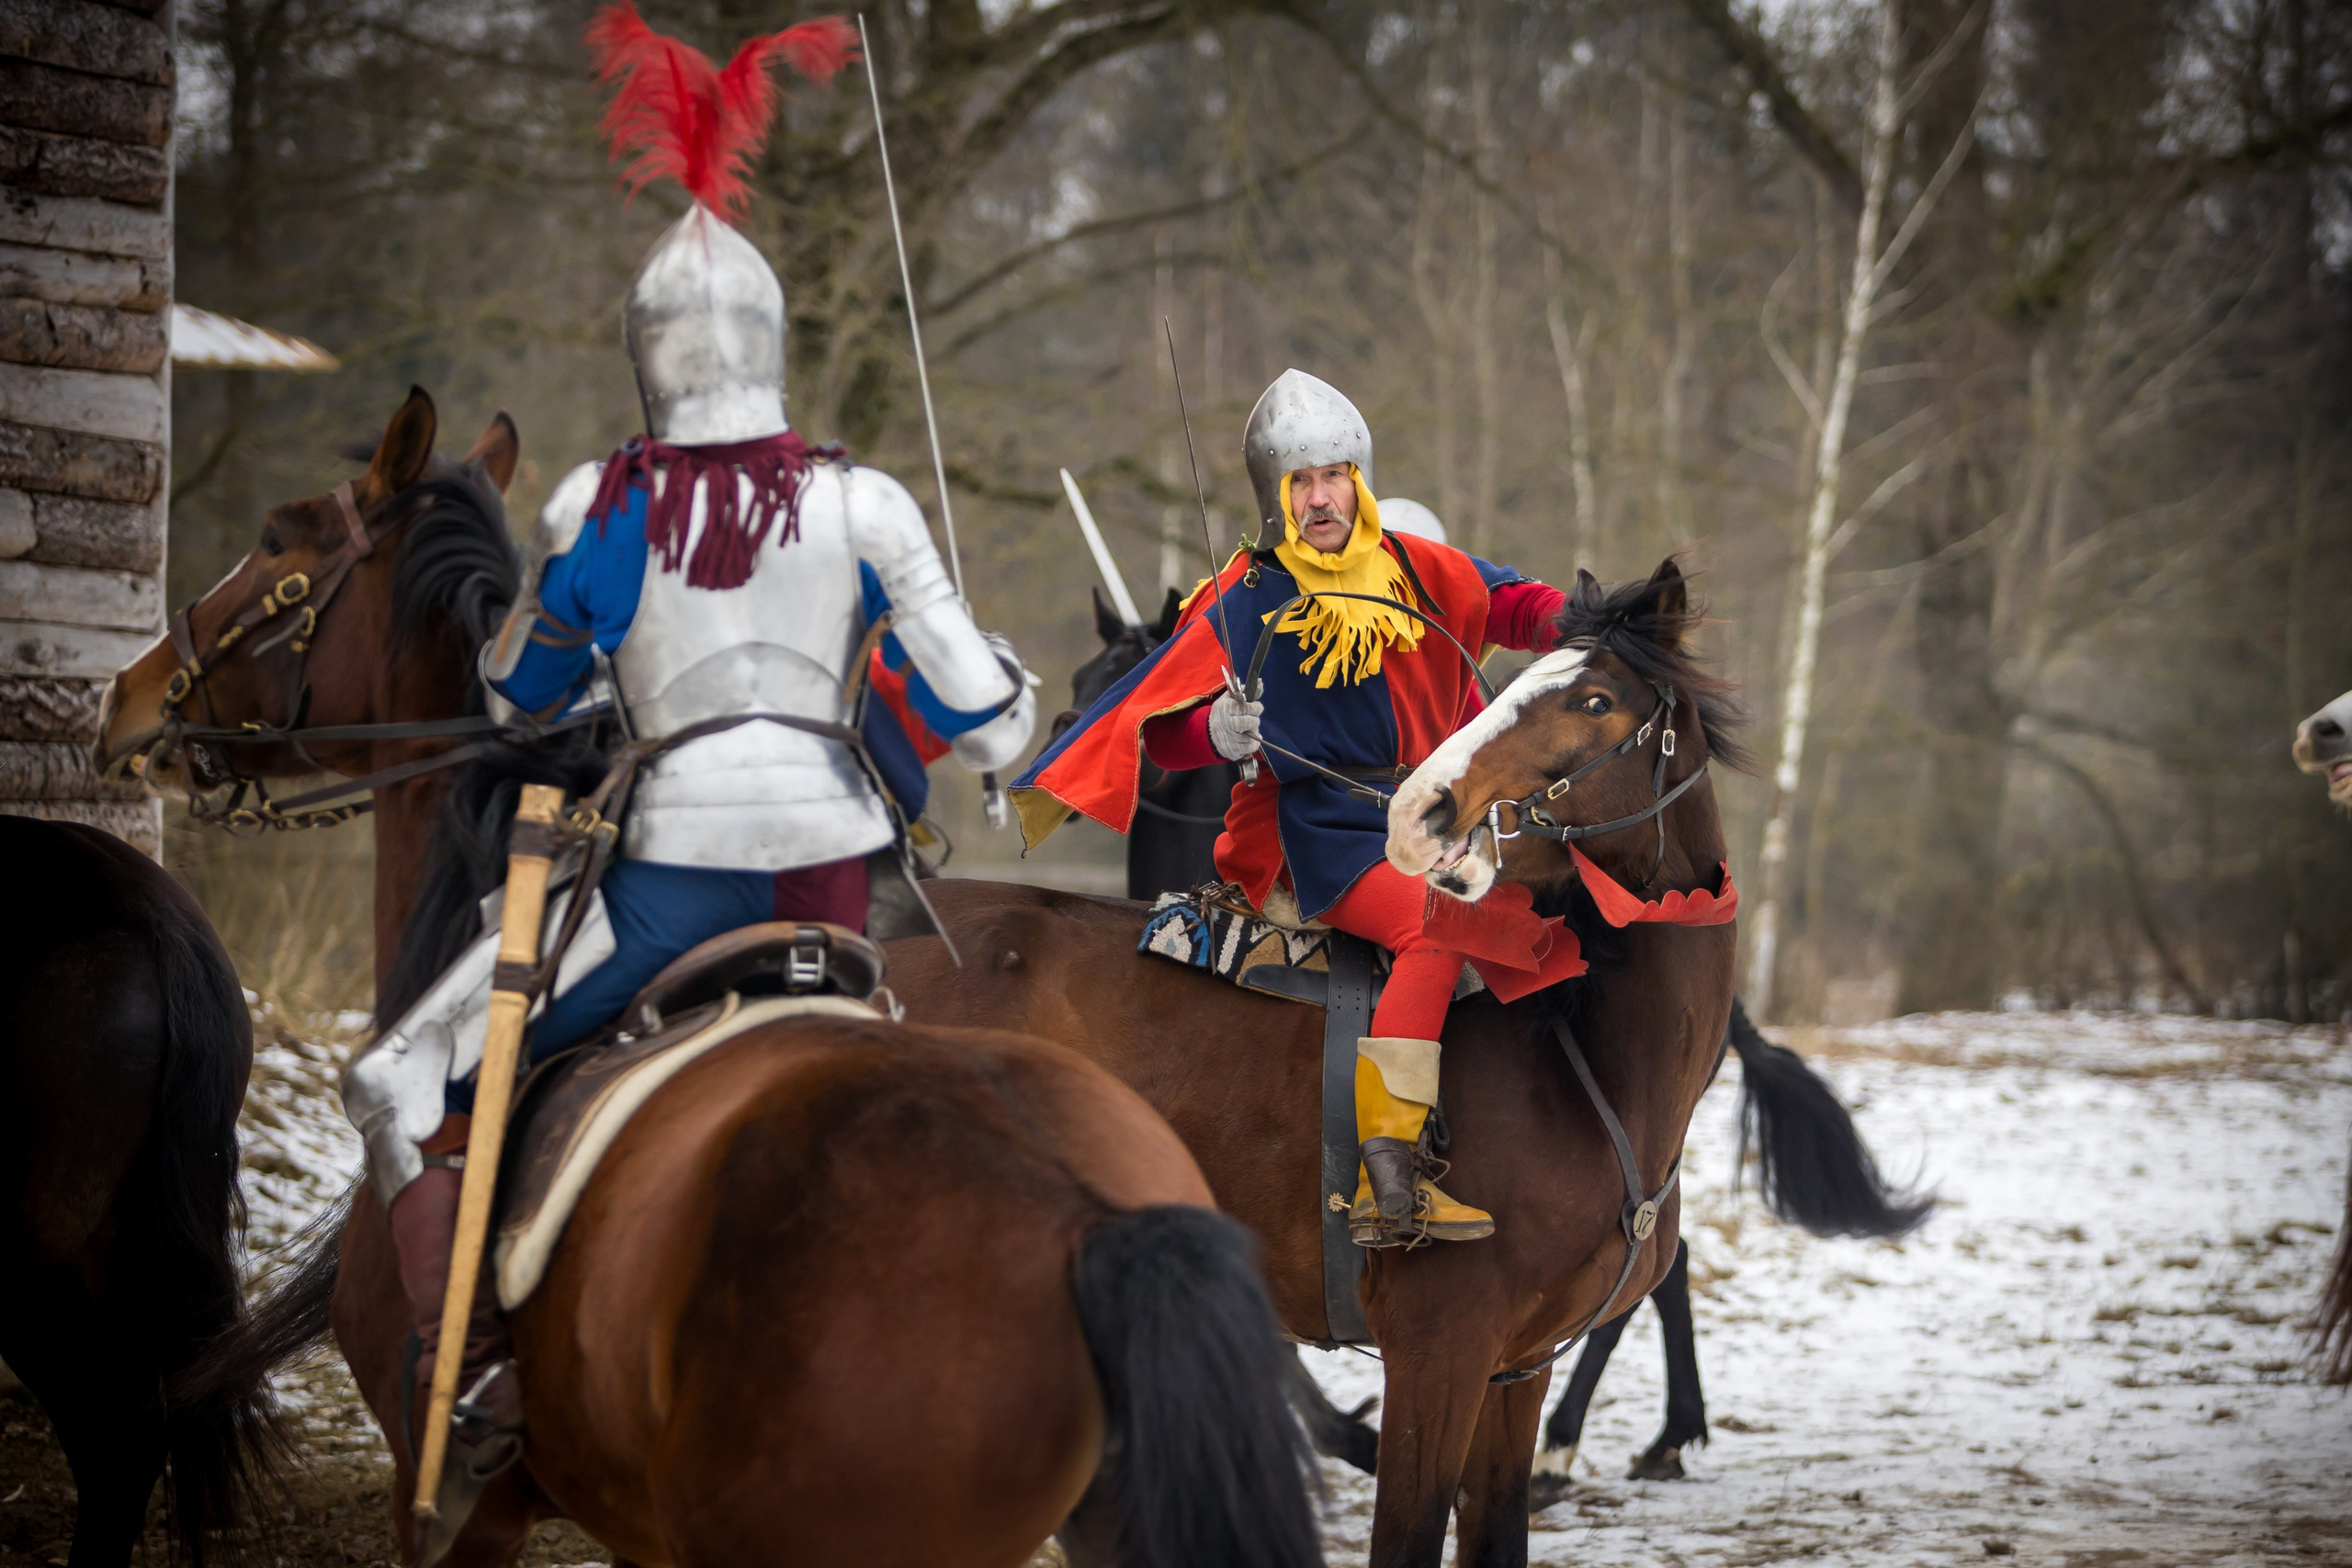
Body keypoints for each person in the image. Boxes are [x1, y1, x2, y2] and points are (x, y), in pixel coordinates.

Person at [342, 8, 1033, 1553]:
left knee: (394, 1079)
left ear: (649, 362)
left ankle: (469, 1378)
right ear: (772, 348)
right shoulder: (863, 498)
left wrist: (605, 663)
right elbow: (989, 724)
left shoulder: (608, 500)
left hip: (661, 898)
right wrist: (1008, 690)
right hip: (837, 895)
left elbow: (519, 695)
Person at [1013, 369, 1581, 1249]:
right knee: (1436, 929)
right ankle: (1387, 1174)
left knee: (1550, 922)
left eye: (1334, 476)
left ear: (1359, 478)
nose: (1322, 499)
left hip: (1430, 814)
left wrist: (1593, 620)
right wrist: (1216, 728)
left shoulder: (1418, 567)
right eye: (1300, 482)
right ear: (1278, 497)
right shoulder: (1246, 595)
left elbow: (1515, 603)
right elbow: (1159, 735)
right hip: (1319, 832)